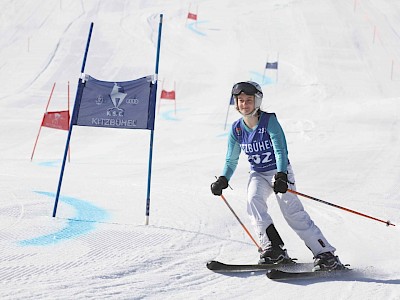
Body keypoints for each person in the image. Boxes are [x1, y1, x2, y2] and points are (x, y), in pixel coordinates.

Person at [211, 81, 345, 271]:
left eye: (249, 100)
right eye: (240, 100)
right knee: (253, 202)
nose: (244, 104)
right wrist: (223, 179)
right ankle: (273, 248)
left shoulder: (268, 121)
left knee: (292, 213)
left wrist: (281, 175)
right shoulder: (237, 129)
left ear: (257, 101)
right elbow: (231, 160)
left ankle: (326, 254)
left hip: (279, 172)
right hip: (258, 173)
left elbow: (280, 150)